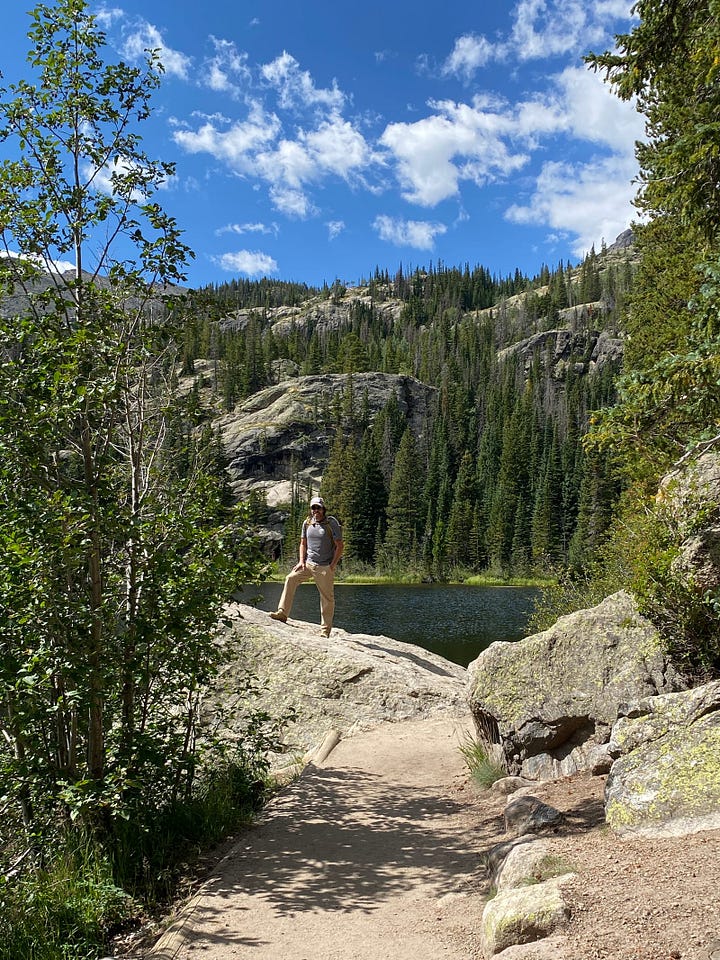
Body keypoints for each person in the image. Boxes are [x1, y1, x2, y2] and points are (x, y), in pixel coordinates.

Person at [270, 496, 343, 637]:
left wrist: (333, 564)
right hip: (308, 564)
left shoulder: (331, 523)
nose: (316, 510)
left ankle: (325, 630)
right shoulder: (307, 523)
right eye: (313, 508)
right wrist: (301, 561)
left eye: (318, 507)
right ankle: (282, 613)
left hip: (324, 567)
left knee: (327, 598)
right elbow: (303, 543)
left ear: (323, 508)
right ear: (311, 509)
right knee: (290, 579)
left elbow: (340, 545)